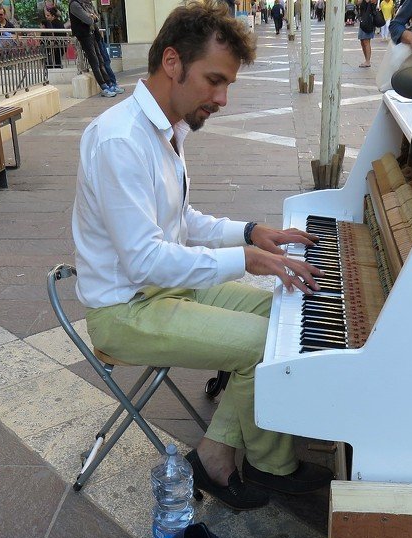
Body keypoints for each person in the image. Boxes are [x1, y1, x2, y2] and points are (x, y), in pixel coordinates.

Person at [72, 0, 332, 510]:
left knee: (285, 313)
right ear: (172, 62)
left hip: (163, 288)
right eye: (214, 80)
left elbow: (181, 221)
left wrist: (253, 233)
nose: (224, 98)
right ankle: (266, 464)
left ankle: (215, 450)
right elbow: (144, 260)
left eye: (228, 83)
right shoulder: (120, 141)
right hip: (126, 310)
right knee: (266, 345)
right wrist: (246, 260)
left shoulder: (167, 128)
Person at [69, 0, 120, 97]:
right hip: (84, 36)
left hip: (92, 34)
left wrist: (91, 16)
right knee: (95, 62)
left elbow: (96, 17)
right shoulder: (74, 4)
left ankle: (109, 84)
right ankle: (104, 87)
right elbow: (88, 20)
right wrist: (91, 16)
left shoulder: (84, 3)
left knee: (100, 60)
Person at [358, 0, 382, 65]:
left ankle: (368, 61)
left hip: (369, 21)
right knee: (362, 41)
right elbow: (358, 2)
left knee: (366, 41)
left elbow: (374, 2)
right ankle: (366, 60)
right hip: (363, 20)